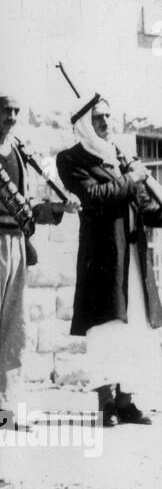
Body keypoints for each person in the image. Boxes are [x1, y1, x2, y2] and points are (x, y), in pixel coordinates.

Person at [58, 95, 162, 426]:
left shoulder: (121, 157)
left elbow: (143, 206)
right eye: (98, 118)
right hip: (102, 259)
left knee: (135, 330)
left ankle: (126, 401)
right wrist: (133, 178)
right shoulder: (72, 159)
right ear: (85, 123)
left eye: (109, 117)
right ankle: (106, 403)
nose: (106, 123)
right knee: (104, 330)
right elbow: (93, 197)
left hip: (133, 258)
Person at [0, 94, 68, 425]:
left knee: (15, 327)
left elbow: (26, 205)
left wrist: (58, 209)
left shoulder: (18, 153)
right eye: (5, 111)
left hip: (15, 243)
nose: (10, 117)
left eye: (15, 112)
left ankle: (8, 405)